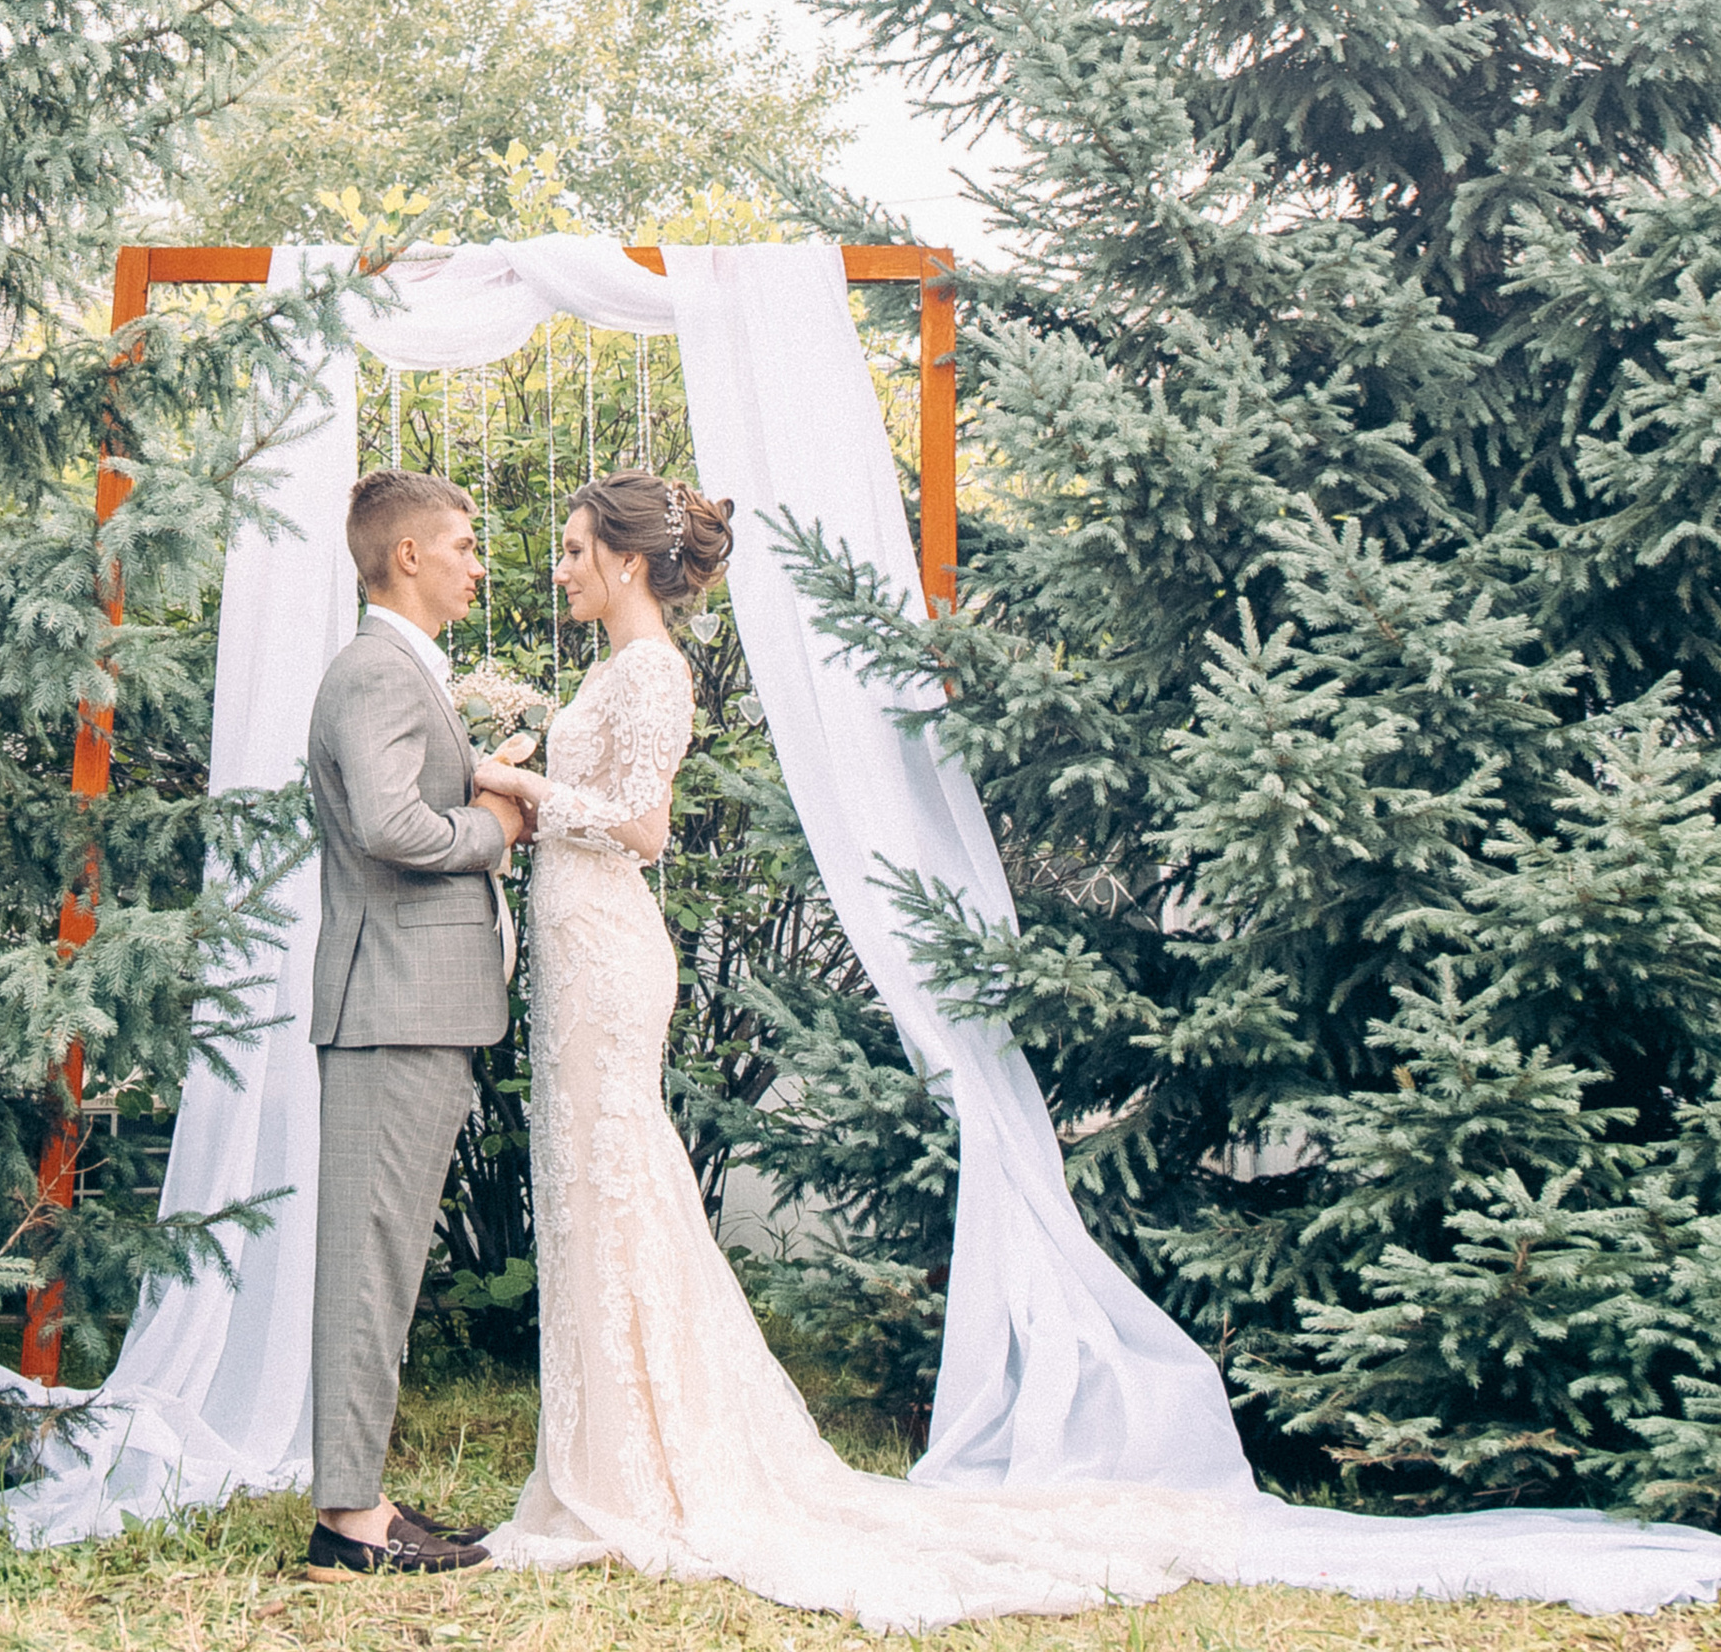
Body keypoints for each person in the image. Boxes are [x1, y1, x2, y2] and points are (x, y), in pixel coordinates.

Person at [465, 470, 1277, 1626]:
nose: (560, 570)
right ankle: (604, 1452)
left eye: (574, 550)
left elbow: (642, 828)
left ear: (629, 561)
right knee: (588, 1189)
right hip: (571, 942)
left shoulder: (652, 673)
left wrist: (518, 783)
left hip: (607, 945)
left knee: (617, 1177)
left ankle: (644, 1468)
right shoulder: (607, 671)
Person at [301, 466, 534, 1582]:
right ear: (407, 556)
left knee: (383, 1260)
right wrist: (492, 827)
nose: (475, 564)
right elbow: (393, 825)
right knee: (370, 1263)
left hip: (410, 1003)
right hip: (390, 1005)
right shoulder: (377, 672)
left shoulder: (398, 671)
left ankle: (360, 1498)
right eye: (463, 544)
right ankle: (349, 1525)